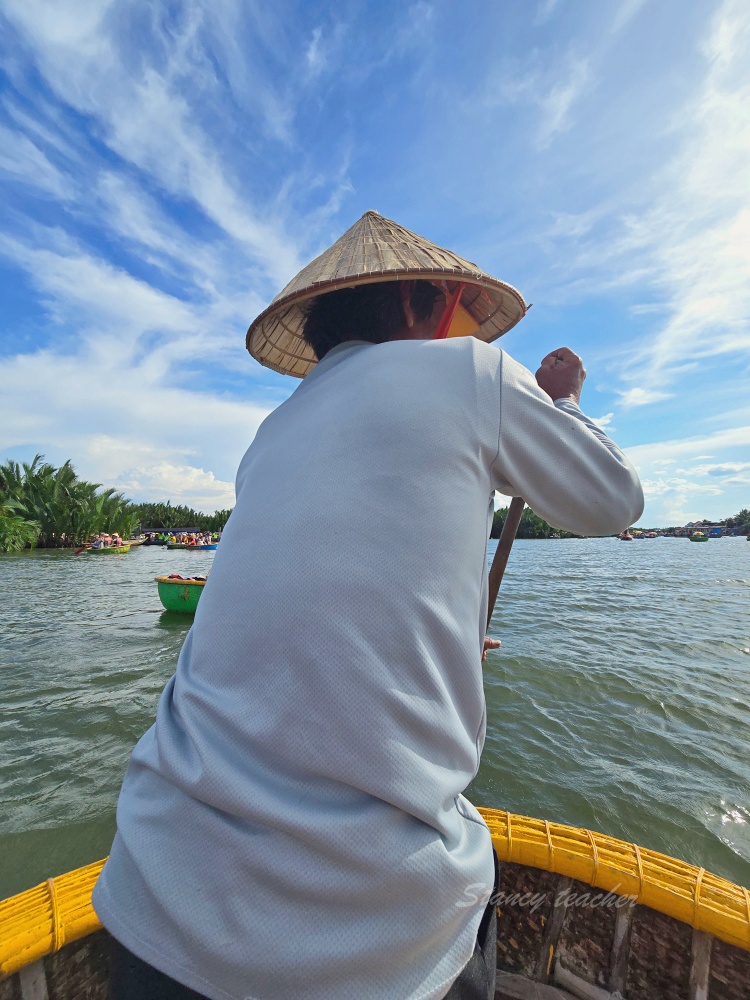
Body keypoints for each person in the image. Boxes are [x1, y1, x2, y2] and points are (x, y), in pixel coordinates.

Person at [93, 211, 643, 1000]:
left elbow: (321, 603)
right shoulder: (467, 372)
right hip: (367, 936)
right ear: (423, 306)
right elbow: (614, 500)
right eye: (455, 306)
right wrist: (560, 407)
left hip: (155, 892)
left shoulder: (272, 433)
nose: (464, 327)